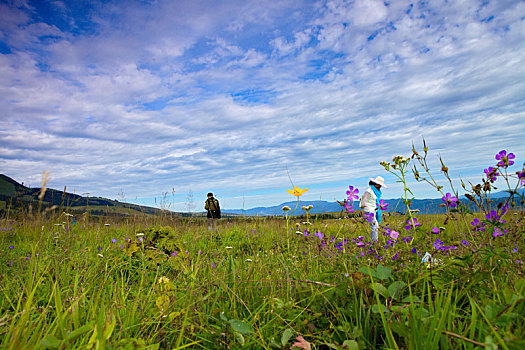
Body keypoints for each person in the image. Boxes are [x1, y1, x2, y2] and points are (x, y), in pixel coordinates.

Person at [359, 176, 387, 242]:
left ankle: (373, 241)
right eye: (379, 185)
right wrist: (368, 210)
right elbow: (364, 201)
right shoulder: (368, 191)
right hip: (369, 211)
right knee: (375, 226)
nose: (380, 186)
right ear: (376, 184)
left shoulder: (376, 191)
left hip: (374, 210)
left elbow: (375, 201)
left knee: (375, 227)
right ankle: (374, 242)